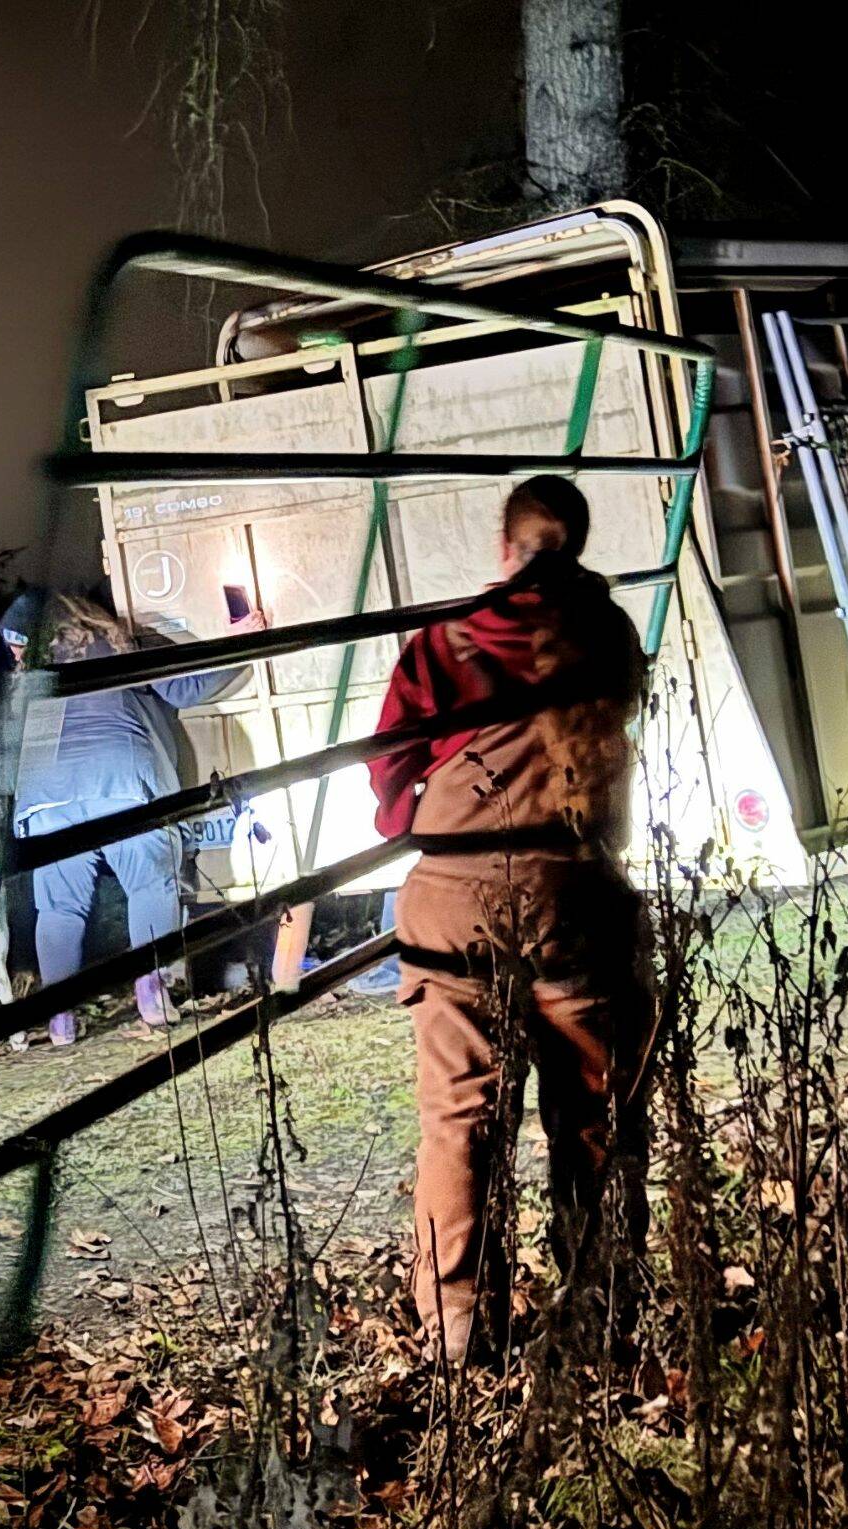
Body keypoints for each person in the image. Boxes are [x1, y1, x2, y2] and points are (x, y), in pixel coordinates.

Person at [368, 476, 654, 1363]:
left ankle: (460, 1335)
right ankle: (603, 1315)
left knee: (460, 1120)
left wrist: (423, 811)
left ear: (505, 547)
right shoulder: (608, 634)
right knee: (595, 1113)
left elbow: (387, 784)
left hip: (454, 906)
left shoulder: (441, 643)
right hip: (576, 894)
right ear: (577, 543)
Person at [17, 594, 264, 1045]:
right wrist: (243, 641)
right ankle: (152, 995)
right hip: (122, 780)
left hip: (46, 797)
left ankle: (60, 1019)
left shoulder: (32, 664)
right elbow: (186, 687)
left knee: (58, 908)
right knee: (152, 885)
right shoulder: (117, 643)